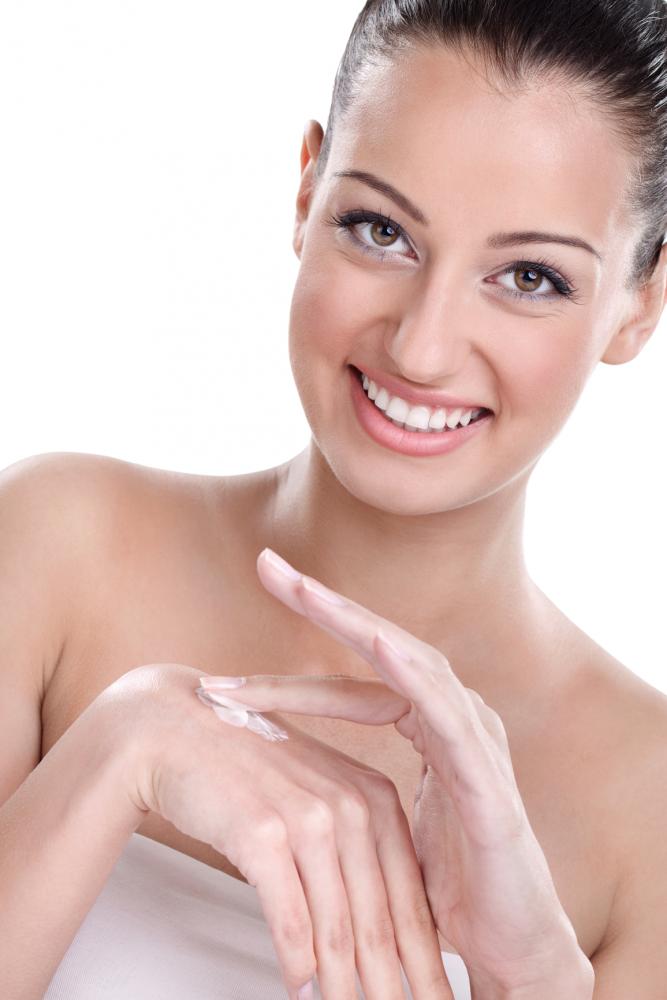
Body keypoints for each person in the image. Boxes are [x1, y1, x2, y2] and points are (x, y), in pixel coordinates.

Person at [1, 0, 667, 997]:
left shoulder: (650, 810)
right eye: (380, 230)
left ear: (639, 300)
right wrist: (123, 745)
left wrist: (531, 978)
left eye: (529, 277)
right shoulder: (58, 548)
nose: (421, 347)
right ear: (306, 190)